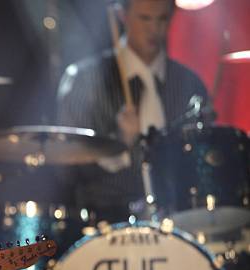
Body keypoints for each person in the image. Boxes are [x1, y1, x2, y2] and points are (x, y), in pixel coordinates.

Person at [57, 0, 208, 223]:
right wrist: (120, 142)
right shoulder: (84, 81)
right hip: (105, 225)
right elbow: (66, 170)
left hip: (179, 222)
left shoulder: (190, 85)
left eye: (162, 19)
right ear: (122, 15)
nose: (154, 29)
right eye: (145, 18)